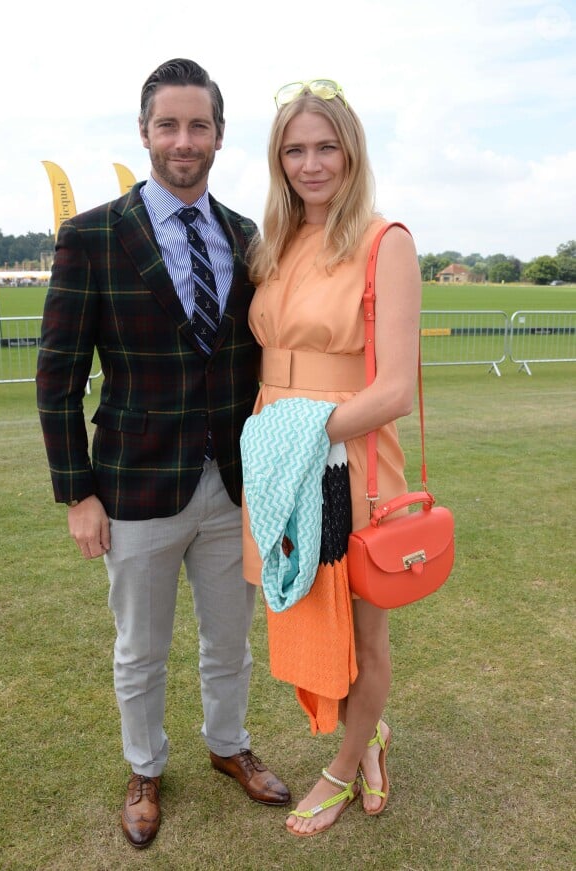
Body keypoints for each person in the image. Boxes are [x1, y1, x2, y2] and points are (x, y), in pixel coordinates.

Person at [36, 58, 290, 850]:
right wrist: (77, 493)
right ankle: (144, 765)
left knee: (230, 639)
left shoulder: (249, 237)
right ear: (145, 133)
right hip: (133, 487)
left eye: (199, 125)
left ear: (218, 134)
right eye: (169, 125)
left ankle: (228, 745)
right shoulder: (91, 237)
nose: (185, 140)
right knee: (141, 648)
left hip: (230, 484)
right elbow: (57, 376)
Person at [243, 79, 422, 836]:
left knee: (364, 628)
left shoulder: (387, 242)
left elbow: (397, 390)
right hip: (279, 462)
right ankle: (367, 733)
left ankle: (343, 768)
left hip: (347, 458)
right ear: (279, 160)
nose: (311, 164)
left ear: (351, 152)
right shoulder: (274, 243)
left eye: (325, 146)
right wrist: (276, 443)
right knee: (310, 617)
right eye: (294, 149)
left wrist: (302, 431)